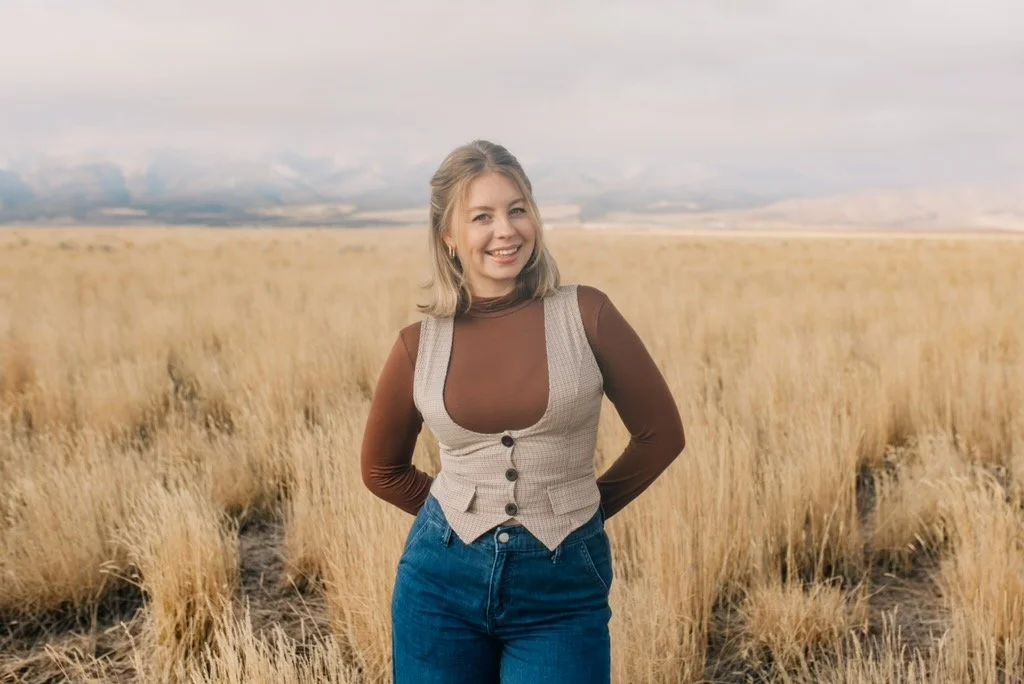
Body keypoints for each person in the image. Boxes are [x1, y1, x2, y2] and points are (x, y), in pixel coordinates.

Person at [360, 140, 685, 683]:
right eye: (481, 216)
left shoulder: (587, 314)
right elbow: (380, 470)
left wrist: (584, 511)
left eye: (517, 209)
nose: (505, 230)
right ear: (449, 237)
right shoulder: (420, 344)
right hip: (438, 585)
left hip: (561, 590)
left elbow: (661, 435)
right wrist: (456, 515)